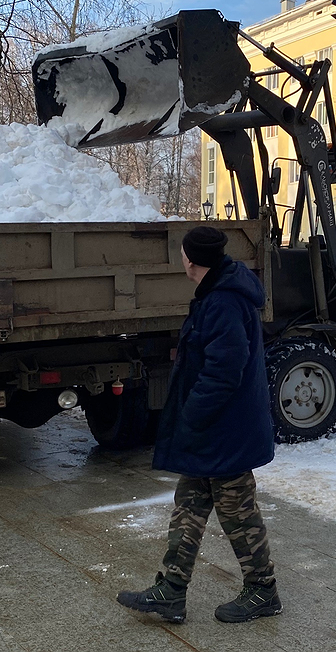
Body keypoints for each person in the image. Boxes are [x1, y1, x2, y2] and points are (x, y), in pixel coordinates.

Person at [117, 226, 280, 625]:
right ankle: (171, 591)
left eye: (183, 253)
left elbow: (224, 370)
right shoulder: (218, 293)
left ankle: (263, 590)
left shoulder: (223, 301)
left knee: (237, 511)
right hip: (215, 429)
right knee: (188, 506)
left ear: (191, 260)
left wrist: (192, 415)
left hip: (225, 430)